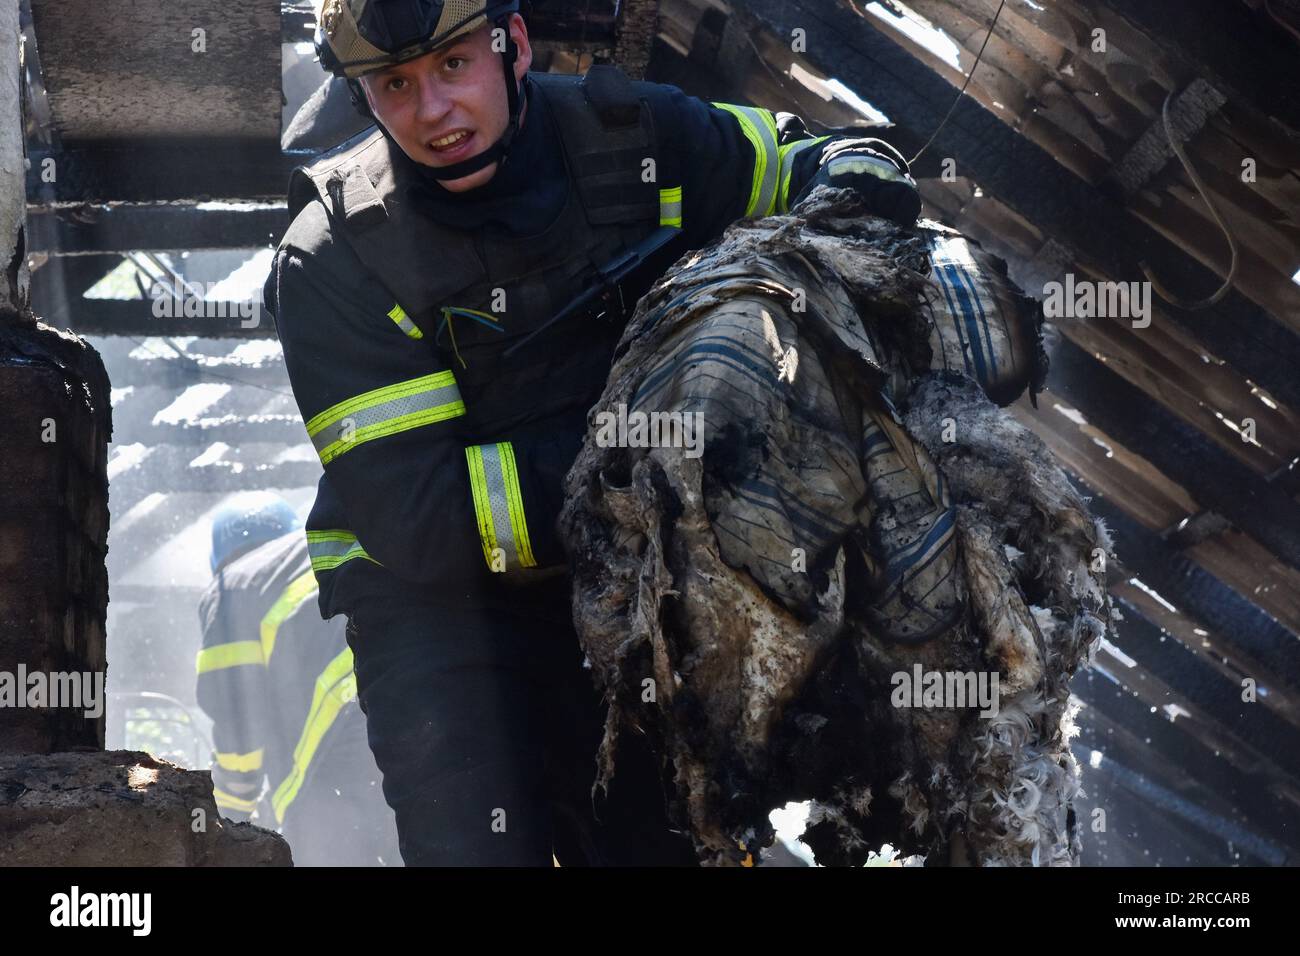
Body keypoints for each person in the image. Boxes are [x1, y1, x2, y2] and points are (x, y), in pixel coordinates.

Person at [262, 0, 921, 865]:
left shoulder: (643, 140)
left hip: (635, 585)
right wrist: (652, 461)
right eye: (395, 85)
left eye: (454, 67)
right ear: (362, 96)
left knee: (661, 841)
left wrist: (859, 190)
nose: (433, 112)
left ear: (517, 45)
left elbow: (815, 156)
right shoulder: (336, 256)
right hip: (440, 613)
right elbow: (425, 522)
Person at [197, 493, 400, 865]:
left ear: (219, 557)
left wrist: (230, 820)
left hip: (336, 742)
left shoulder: (230, 587)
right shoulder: (317, 556)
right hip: (403, 702)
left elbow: (236, 719)